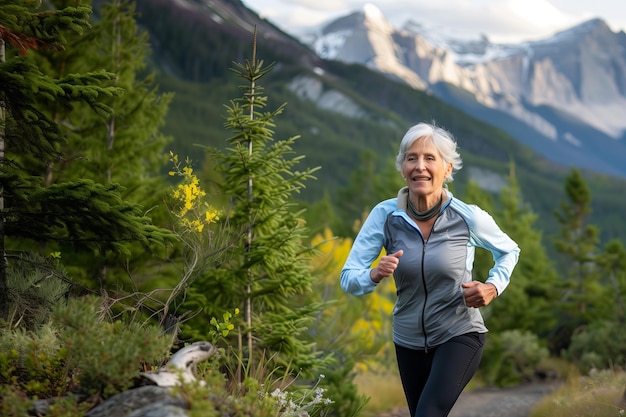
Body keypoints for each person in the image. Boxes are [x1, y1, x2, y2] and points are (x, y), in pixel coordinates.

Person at [340, 122, 520, 417]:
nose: (419, 166)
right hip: (408, 340)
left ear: (447, 169)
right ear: (402, 168)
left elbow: (509, 250)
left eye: (429, 158)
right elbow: (348, 278)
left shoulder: (467, 217)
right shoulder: (385, 216)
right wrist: (374, 274)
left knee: (429, 413)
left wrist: (492, 286)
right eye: (412, 158)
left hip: (459, 333)